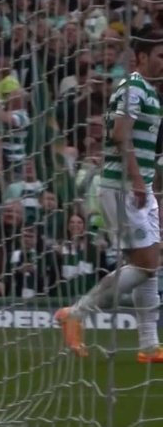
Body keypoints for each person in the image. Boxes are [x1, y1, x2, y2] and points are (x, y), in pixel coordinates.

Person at [56, 32, 163, 363]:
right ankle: (76, 313)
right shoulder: (133, 87)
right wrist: (136, 180)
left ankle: (149, 345)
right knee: (145, 265)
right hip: (123, 188)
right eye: (160, 55)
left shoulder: (151, 92)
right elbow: (120, 134)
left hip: (138, 186)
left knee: (152, 265)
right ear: (141, 58)